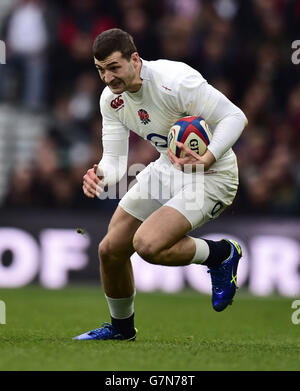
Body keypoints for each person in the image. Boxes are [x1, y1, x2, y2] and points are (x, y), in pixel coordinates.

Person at [73, 28, 248, 341]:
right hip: (168, 167)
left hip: (213, 175)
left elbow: (235, 117)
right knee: (110, 250)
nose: (108, 78)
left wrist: (207, 157)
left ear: (135, 60)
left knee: (148, 246)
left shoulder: (176, 81)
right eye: (101, 70)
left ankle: (221, 254)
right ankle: (121, 330)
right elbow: (114, 160)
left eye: (114, 67)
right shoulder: (110, 101)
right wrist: (101, 174)